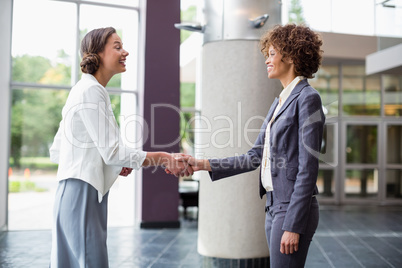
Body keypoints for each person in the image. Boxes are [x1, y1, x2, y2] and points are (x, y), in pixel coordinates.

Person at [174, 24, 325, 267]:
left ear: (291, 55)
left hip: (292, 209)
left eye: (273, 53)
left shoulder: (307, 98)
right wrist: (201, 164)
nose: (267, 59)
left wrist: (294, 225)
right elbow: (254, 157)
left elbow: (308, 169)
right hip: (274, 207)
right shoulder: (278, 103)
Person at [49, 27, 192, 268]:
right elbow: (111, 151)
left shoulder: (87, 90)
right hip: (82, 191)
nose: (125, 51)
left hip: (76, 191)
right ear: (97, 54)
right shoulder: (91, 91)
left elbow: (58, 148)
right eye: (117, 47)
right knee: (90, 261)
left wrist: (115, 162)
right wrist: (164, 158)